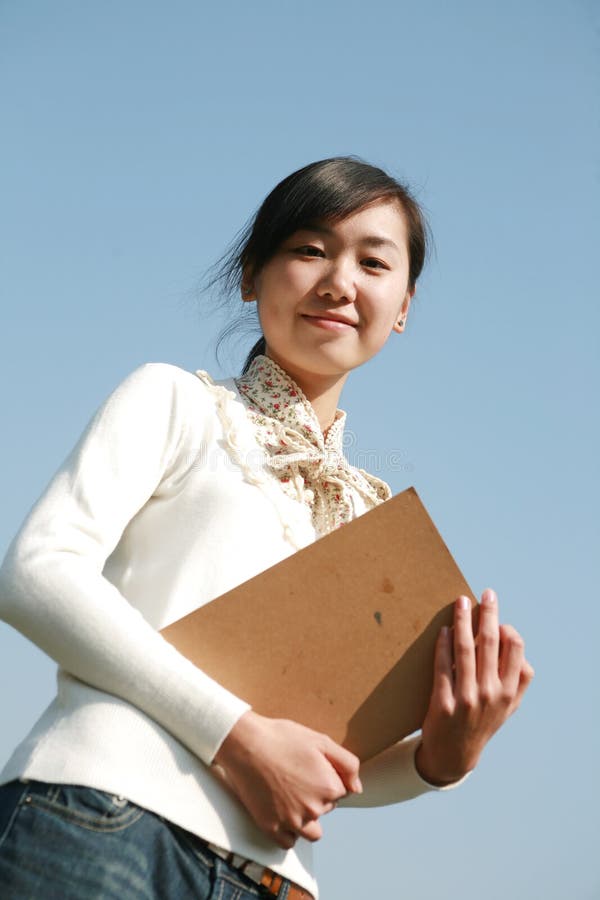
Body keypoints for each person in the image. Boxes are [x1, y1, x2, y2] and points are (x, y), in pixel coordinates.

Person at [0, 157, 533, 900]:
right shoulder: (178, 401)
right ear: (252, 275)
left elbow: (320, 763)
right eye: (310, 249)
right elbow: (35, 573)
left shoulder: (376, 524)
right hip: (104, 821)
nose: (340, 282)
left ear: (404, 305)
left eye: (374, 262)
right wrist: (237, 737)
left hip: (272, 880)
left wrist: (437, 762)